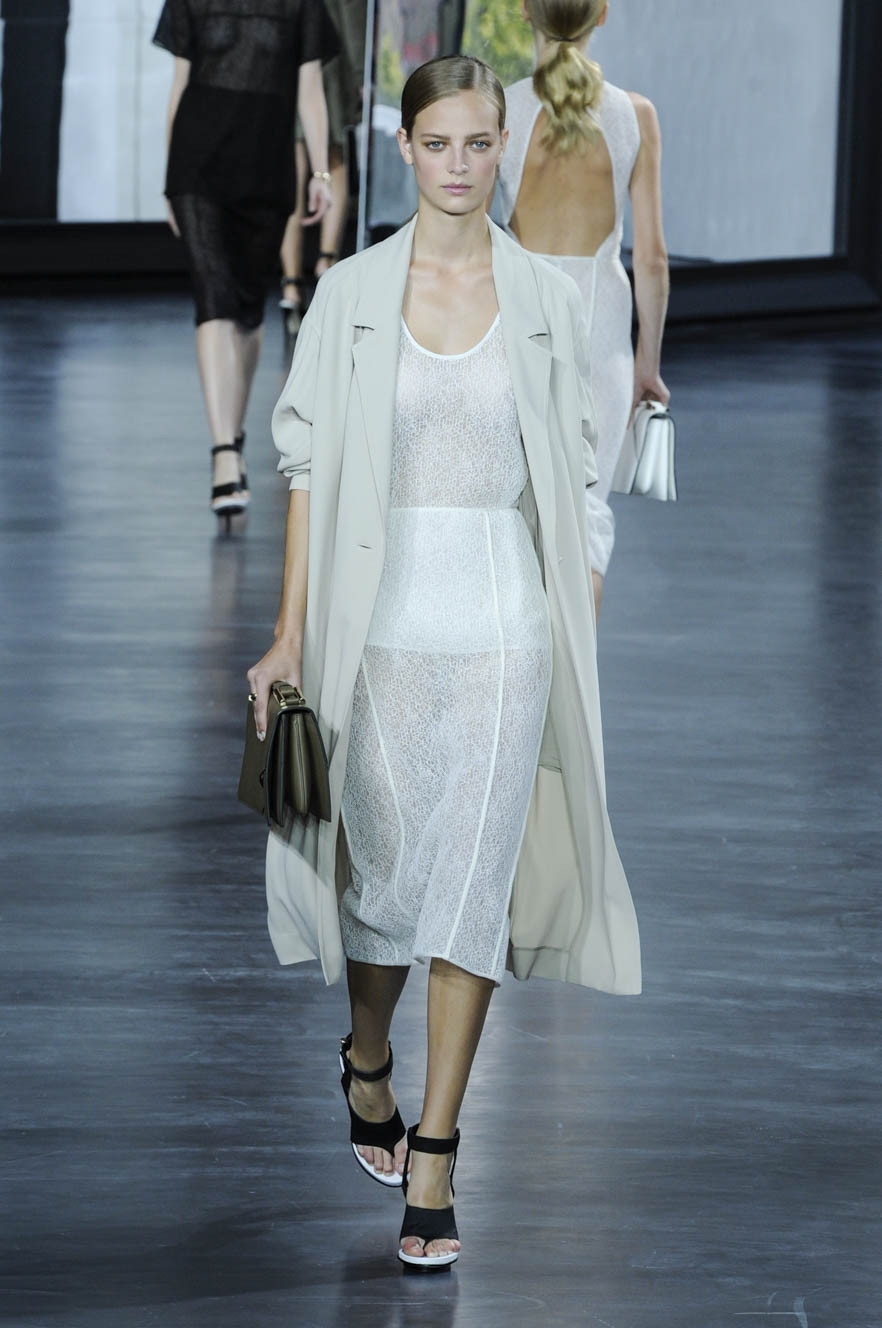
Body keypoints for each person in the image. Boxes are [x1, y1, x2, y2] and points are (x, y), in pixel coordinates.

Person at [247, 54, 640, 1270]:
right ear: (405, 147)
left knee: (471, 891)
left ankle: (437, 1147)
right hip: (378, 628)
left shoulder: (548, 300)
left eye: (479, 142)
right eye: (438, 143)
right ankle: (367, 1056)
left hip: (507, 633)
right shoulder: (354, 293)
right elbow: (306, 468)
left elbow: (578, 474)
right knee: (380, 885)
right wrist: (287, 632)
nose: (460, 165)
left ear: (503, 144)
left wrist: (577, 606)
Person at [497, 0, 670, 615]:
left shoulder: (502, 110)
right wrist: (648, 364)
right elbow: (651, 259)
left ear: (525, 12)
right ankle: (577, 676)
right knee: (586, 518)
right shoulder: (634, 116)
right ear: (602, 15)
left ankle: (521, 670)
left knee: (515, 514)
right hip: (601, 334)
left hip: (517, 324)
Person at [153, 0, 338, 525]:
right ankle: (223, 454)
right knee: (213, 300)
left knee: (248, 312)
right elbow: (179, 84)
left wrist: (320, 173)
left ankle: (232, 431)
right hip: (198, 165)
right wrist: (169, 177)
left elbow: (310, 89)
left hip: (266, 165)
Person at [279, 0, 367, 334]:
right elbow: (353, 15)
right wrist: (360, 74)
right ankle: (326, 262)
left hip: (284, 54)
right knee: (334, 159)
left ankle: (290, 284)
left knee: (293, 165)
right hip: (330, 57)